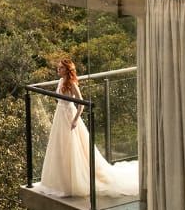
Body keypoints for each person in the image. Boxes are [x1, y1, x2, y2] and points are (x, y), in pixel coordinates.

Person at [40, 57, 138, 198]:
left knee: (72, 148)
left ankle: (74, 181)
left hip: (69, 116)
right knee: (59, 147)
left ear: (67, 70)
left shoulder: (72, 84)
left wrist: (75, 120)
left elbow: (82, 103)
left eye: (61, 68)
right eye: (58, 67)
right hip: (59, 116)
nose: (58, 69)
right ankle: (61, 181)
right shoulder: (61, 81)